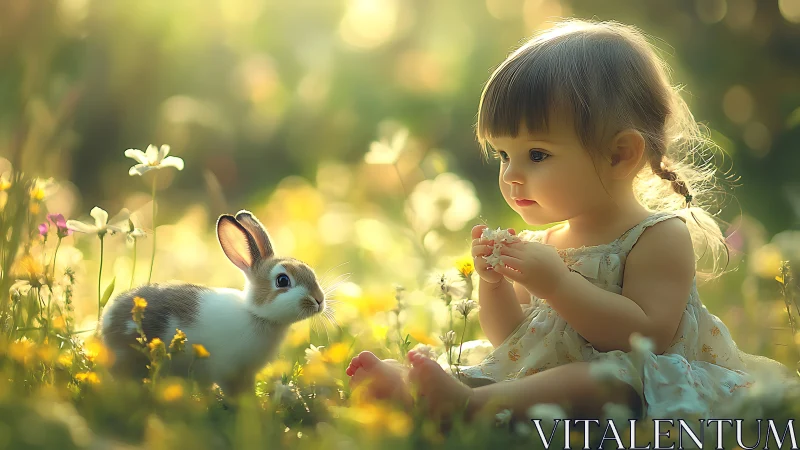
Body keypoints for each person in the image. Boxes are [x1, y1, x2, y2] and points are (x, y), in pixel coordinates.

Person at [345, 18, 798, 424]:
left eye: (536, 154)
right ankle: (425, 390)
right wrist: (495, 285)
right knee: (499, 368)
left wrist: (558, 284)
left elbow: (647, 337)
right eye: (504, 155)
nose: (511, 175)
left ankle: (468, 406)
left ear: (619, 154)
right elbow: (511, 340)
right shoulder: (548, 242)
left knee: (596, 382)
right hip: (544, 374)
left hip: (636, 381)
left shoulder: (657, 236)